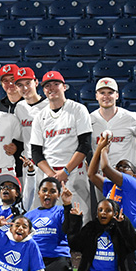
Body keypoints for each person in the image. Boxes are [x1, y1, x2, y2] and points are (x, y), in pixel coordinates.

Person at [87, 135, 136, 271]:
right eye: (119, 167)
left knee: (127, 239)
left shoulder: (133, 183)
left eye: (126, 167)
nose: (121, 170)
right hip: (116, 234)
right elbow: (91, 173)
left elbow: (105, 167)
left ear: (133, 174)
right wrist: (99, 150)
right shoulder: (110, 187)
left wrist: (104, 150)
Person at [30, 71, 93, 224]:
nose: (51, 88)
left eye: (55, 84)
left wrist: (65, 171)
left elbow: (85, 145)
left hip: (74, 171)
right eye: (47, 86)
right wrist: (53, 177)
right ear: (43, 90)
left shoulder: (78, 109)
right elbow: (36, 153)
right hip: (50, 174)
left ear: (64, 87)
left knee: (80, 217)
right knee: (52, 221)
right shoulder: (40, 116)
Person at [65, 197, 136, 271]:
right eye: (100, 210)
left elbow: (134, 244)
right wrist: (76, 220)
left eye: (108, 210)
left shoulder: (118, 230)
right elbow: (74, 244)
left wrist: (124, 224)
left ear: (115, 213)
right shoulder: (91, 228)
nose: (103, 213)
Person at [22, 178, 77, 271]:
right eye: (44, 190)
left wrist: (67, 205)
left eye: (52, 191)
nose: (47, 194)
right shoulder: (29, 215)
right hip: (35, 260)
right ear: (39, 193)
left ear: (58, 195)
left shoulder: (62, 211)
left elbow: (68, 229)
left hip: (57, 258)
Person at [90, 78, 136, 179]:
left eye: (110, 93)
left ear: (117, 95)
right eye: (102, 93)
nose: (106, 96)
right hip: (101, 178)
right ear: (96, 96)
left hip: (125, 177)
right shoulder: (89, 119)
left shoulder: (131, 117)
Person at [12, 67, 47, 207]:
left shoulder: (48, 105)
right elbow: (19, 136)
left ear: (36, 82)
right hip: (29, 164)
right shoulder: (19, 107)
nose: (24, 88)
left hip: (47, 161)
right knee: (31, 205)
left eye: (28, 83)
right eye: (20, 85)